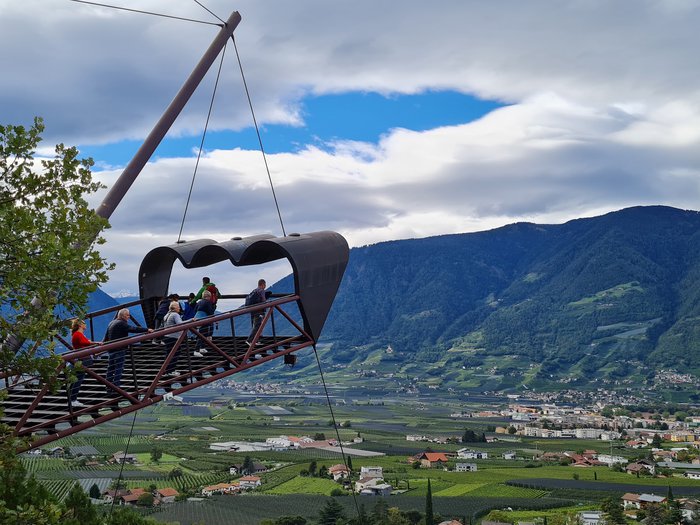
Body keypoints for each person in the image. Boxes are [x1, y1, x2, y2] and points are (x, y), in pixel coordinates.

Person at [103, 308, 153, 390]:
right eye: (127, 315)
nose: (129, 317)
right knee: (118, 368)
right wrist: (147, 329)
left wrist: (103, 346)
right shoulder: (122, 323)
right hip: (119, 349)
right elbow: (133, 329)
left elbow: (106, 336)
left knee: (111, 368)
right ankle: (116, 386)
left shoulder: (111, 322)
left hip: (111, 349)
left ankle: (108, 386)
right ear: (123, 316)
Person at [68, 319, 100, 408]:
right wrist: (96, 343)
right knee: (78, 380)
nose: (85, 324)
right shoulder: (78, 334)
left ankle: (72, 399)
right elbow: (84, 343)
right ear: (80, 325)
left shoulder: (78, 334)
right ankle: (73, 400)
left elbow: (84, 342)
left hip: (81, 359)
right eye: (84, 323)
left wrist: (91, 342)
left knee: (77, 379)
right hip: (82, 359)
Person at [162, 300, 198, 377]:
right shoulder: (175, 315)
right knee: (175, 354)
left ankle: (165, 371)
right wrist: (191, 320)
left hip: (167, 337)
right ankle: (171, 371)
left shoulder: (167, 315)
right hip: (174, 337)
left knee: (168, 355)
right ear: (175, 308)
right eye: (178, 307)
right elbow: (180, 324)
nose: (179, 308)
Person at [245, 279, 268, 347]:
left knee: (255, 326)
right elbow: (263, 300)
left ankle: (255, 341)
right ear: (263, 284)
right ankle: (249, 340)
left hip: (253, 310)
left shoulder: (254, 290)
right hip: (259, 311)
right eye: (265, 284)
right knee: (258, 326)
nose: (265, 286)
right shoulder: (261, 291)